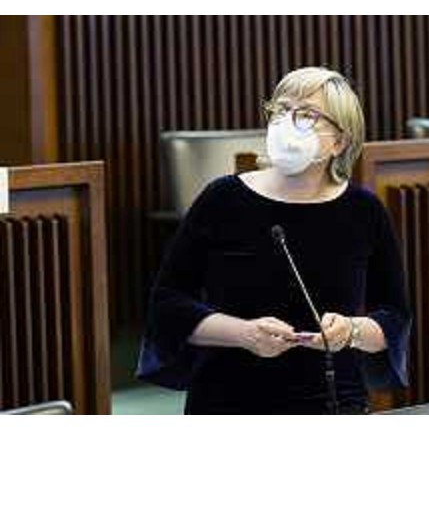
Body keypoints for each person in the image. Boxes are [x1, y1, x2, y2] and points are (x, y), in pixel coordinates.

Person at [137, 66, 412, 414]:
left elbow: (394, 318)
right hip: (228, 398)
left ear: (339, 141)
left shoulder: (364, 210)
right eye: (280, 110)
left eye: (306, 115)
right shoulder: (222, 198)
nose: (286, 123)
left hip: (334, 400)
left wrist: (351, 331)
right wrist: (243, 333)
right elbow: (167, 306)